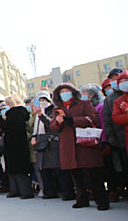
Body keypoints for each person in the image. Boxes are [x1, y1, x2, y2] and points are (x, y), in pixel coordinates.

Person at [50, 83, 109, 210]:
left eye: (67, 91)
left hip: (85, 144)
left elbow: (93, 118)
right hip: (68, 145)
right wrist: (58, 122)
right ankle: (82, 199)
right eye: (62, 92)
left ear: (73, 92)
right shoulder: (57, 109)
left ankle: (101, 200)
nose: (64, 94)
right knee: (76, 175)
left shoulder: (84, 104)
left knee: (93, 174)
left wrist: (72, 120)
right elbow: (53, 127)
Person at [31, 91, 75, 200]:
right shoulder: (36, 114)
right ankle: (49, 191)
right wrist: (33, 137)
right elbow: (34, 128)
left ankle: (67, 192)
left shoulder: (53, 110)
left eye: (44, 99)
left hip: (53, 142)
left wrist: (41, 114)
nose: (42, 102)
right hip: (41, 143)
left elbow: (52, 124)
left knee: (59, 169)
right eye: (40, 100)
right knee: (44, 170)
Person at [0, 95, 34, 199]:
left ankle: (23, 191)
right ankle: (17, 190)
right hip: (17, 145)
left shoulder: (14, 114)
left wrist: (0, 120)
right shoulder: (21, 113)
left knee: (18, 170)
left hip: (15, 146)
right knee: (15, 170)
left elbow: (10, 128)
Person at [102, 68, 127, 201]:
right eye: (112, 79)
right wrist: (111, 138)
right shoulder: (110, 100)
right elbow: (109, 120)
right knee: (120, 167)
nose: (115, 81)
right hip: (118, 139)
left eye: (117, 77)